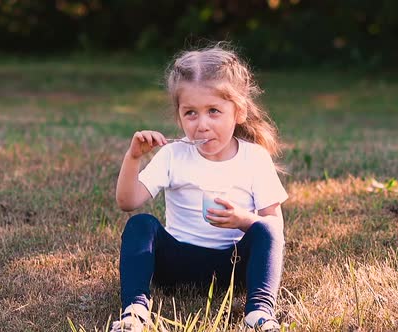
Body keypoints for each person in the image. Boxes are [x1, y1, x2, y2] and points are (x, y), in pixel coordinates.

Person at [110, 43, 288, 332]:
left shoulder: (254, 158)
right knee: (140, 224)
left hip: (233, 267)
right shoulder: (173, 155)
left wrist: (244, 220)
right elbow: (128, 202)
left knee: (266, 229)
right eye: (191, 113)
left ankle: (259, 313)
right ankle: (136, 310)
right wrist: (133, 158)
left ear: (238, 111)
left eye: (214, 111)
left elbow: (274, 227)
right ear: (179, 114)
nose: (202, 124)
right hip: (177, 266)